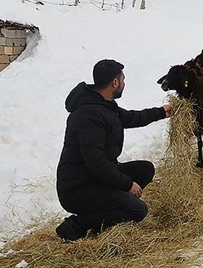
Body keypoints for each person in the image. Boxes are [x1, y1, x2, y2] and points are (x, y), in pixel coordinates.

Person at [55, 59, 172, 242]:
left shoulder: (104, 105)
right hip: (78, 188)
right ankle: (77, 225)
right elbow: (96, 163)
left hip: (94, 178)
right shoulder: (88, 115)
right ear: (115, 83)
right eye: (123, 79)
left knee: (145, 169)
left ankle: (111, 209)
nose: (124, 83)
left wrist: (161, 112)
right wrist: (126, 184)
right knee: (138, 210)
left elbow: (131, 117)